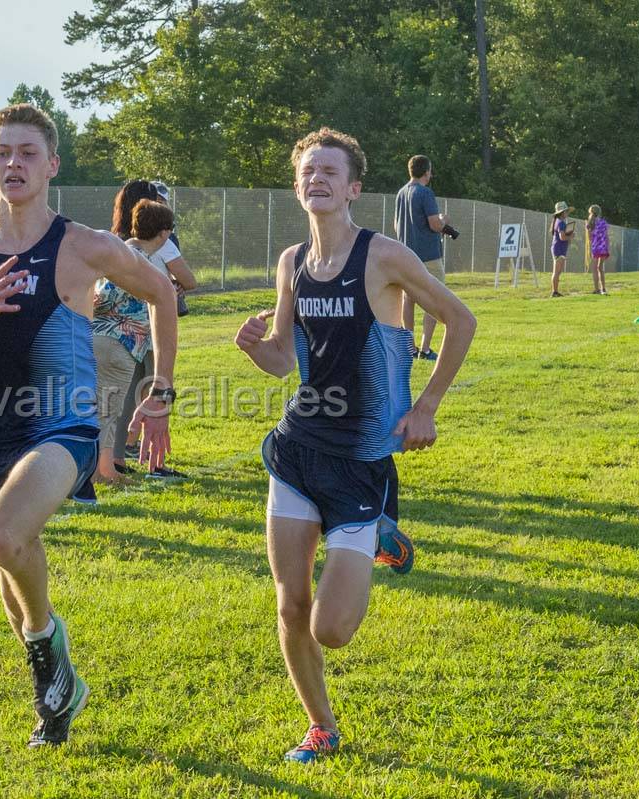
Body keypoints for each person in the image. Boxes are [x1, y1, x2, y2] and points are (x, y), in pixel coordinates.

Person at [0, 103, 178, 747]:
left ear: (52, 166)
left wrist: (162, 386)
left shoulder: (84, 246)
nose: (13, 164)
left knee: (6, 538)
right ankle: (55, 669)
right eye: (2, 153)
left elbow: (164, 293)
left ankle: (48, 654)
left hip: (62, 429)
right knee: (14, 586)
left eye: (27, 153)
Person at [235, 127, 475, 763]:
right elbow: (286, 360)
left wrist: (426, 406)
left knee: (331, 629)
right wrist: (255, 347)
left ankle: (376, 533)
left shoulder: (384, 257)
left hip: (364, 460)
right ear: (298, 185)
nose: (317, 178)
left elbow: (461, 320)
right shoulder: (291, 263)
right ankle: (322, 726)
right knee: (291, 607)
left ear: (353, 188)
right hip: (297, 450)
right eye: (308, 170)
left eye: (330, 171)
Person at [109, 182, 196, 479]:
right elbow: (189, 279)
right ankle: (153, 462)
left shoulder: (116, 242)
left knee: (124, 397)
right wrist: (169, 288)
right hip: (150, 328)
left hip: (121, 333)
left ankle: (117, 459)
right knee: (158, 391)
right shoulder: (162, 240)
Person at [394, 155, 451, 361]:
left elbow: (396, 224)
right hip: (429, 255)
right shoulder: (425, 193)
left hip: (406, 255)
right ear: (426, 172)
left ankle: (409, 347)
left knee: (408, 300)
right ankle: (425, 349)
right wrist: (444, 221)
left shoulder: (401, 193)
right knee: (435, 298)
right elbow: (435, 224)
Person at [549, 201, 575, 297]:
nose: (568, 213)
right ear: (562, 212)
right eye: (566, 211)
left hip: (560, 249)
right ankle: (554, 292)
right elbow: (562, 237)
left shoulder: (559, 222)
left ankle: (555, 291)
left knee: (558, 271)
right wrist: (570, 237)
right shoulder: (560, 223)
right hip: (558, 249)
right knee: (556, 272)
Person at [585, 205, 609, 295]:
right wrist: (607, 247)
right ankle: (603, 289)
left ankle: (597, 289)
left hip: (595, 247)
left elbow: (590, 238)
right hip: (603, 247)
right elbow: (606, 236)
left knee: (594, 268)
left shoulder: (590, 223)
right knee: (600, 268)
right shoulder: (603, 222)